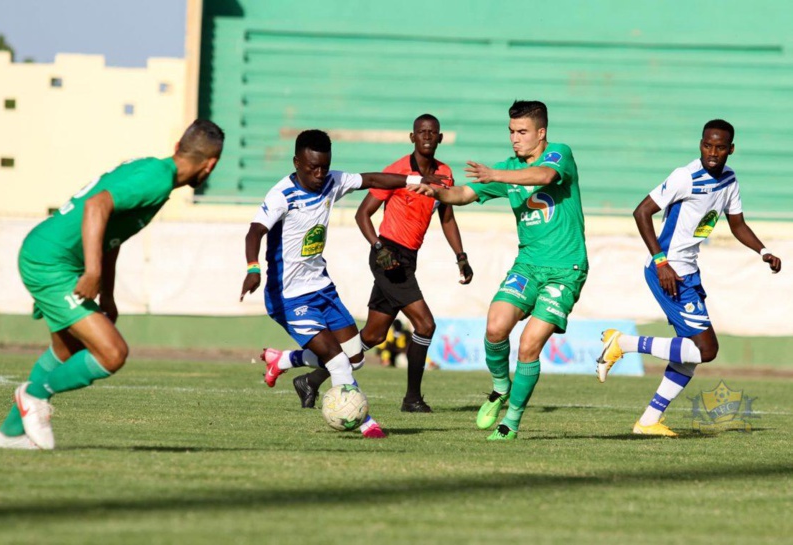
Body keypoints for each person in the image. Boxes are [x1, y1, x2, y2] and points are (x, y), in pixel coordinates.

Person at [0, 119, 225, 450]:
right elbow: (95, 207)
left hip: (53, 257)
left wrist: (108, 294)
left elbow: (110, 235)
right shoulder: (156, 180)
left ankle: (9, 434)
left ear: (177, 148)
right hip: (50, 263)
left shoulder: (155, 171)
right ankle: (33, 395)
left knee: (66, 350)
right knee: (112, 353)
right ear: (210, 165)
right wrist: (93, 275)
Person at [239, 129, 447, 438]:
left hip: (322, 287)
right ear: (297, 162)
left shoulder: (331, 181)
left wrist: (414, 181)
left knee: (355, 356)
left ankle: (282, 360)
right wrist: (253, 268)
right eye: (312, 168)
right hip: (290, 296)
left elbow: (374, 180)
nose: (320, 174)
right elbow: (255, 231)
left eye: (324, 166)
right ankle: (365, 423)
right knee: (338, 362)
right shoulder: (282, 195)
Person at [411, 100, 588, 441]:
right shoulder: (508, 168)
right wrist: (437, 192)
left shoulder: (559, 154)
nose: (515, 139)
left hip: (566, 269)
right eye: (511, 132)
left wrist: (496, 175)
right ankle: (500, 387)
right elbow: (464, 193)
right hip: (527, 265)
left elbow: (545, 176)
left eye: (522, 132)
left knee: (528, 345)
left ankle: (512, 422)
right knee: (494, 329)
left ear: (541, 132)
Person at [274, 114, 472, 413]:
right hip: (388, 258)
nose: (428, 137)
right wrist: (379, 247)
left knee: (374, 335)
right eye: (422, 132)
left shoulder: (444, 174)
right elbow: (362, 214)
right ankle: (412, 399)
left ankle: (310, 380)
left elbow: (447, 217)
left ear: (440, 138)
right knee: (425, 325)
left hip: (408, 258)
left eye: (433, 132)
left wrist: (461, 256)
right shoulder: (397, 171)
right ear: (413, 137)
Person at [595, 119, 782, 437]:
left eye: (720, 147)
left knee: (691, 357)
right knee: (707, 350)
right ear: (700, 144)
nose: (713, 152)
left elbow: (737, 225)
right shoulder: (685, 176)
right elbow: (641, 212)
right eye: (708, 145)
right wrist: (661, 261)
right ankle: (622, 342)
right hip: (668, 272)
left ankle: (649, 421)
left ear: (730, 149)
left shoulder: (729, 180)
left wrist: (763, 251)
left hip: (689, 273)